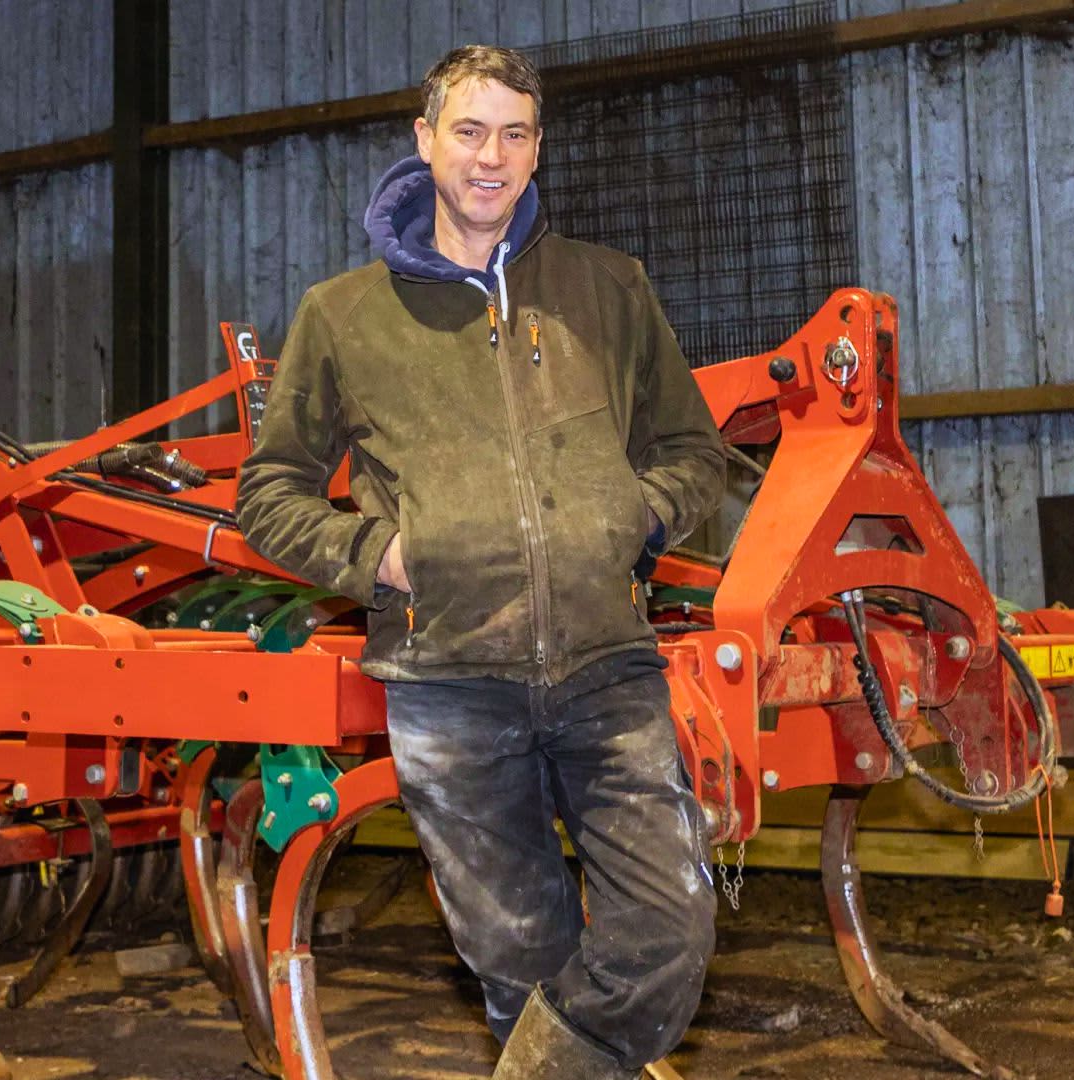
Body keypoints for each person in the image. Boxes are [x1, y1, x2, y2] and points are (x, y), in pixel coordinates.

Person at [236, 44, 725, 1080]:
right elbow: (268, 493)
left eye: (513, 133)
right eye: (469, 131)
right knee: (516, 959)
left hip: (606, 666)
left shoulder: (608, 287)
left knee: (670, 930)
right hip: (447, 682)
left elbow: (694, 452)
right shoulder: (344, 316)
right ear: (425, 142)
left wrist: (632, 519)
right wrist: (383, 555)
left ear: (538, 147)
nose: (490, 157)